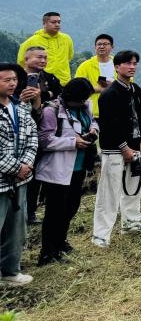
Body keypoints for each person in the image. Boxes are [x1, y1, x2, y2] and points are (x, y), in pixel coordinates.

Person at [35, 77, 97, 265]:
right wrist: (73, 142)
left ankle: (61, 242)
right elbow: (44, 140)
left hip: (78, 167)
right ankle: (47, 252)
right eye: (79, 99)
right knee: (55, 211)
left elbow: (92, 122)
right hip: (58, 169)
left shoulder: (85, 105)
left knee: (71, 207)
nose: (82, 102)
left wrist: (93, 130)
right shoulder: (51, 110)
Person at [92, 50, 141, 248]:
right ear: (117, 67)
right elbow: (109, 124)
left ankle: (130, 222)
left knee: (133, 187)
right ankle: (101, 234)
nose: (132, 66)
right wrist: (124, 148)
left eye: (134, 63)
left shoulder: (135, 90)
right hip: (114, 149)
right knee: (109, 192)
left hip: (135, 145)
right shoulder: (109, 94)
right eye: (127, 63)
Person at [0, 63, 37, 286]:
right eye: (6, 80)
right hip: (3, 180)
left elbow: (33, 136)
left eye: (14, 79)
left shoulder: (20, 108)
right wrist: (17, 168)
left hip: (21, 180)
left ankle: (10, 271)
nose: (12, 84)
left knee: (16, 229)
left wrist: (27, 164)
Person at [21, 45, 62, 224]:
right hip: (17, 132)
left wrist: (41, 96)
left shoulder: (50, 78)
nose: (43, 61)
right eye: (39, 57)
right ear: (26, 59)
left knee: (34, 174)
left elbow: (59, 95)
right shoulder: (14, 78)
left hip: (41, 131)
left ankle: (30, 212)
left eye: (45, 58)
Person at [17, 12, 74, 86]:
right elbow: (22, 61)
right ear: (44, 23)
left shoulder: (66, 39)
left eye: (59, 22)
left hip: (64, 81)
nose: (57, 24)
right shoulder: (32, 41)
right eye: (53, 22)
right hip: (43, 83)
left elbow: (69, 57)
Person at [75, 34, 116, 115]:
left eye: (105, 44)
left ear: (112, 47)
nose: (101, 46)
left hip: (116, 111)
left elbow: (128, 84)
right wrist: (99, 89)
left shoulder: (119, 64)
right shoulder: (85, 66)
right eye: (99, 44)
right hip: (92, 113)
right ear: (95, 47)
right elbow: (77, 88)